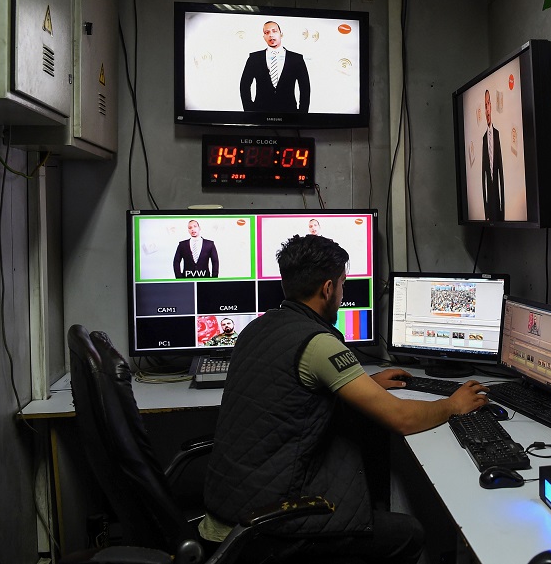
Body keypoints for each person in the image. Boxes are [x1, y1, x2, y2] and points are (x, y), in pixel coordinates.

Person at [201, 233, 489, 563]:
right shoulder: (317, 343)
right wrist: (452, 404)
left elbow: (296, 392)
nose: (342, 292)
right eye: (341, 284)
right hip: (269, 524)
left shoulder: (258, 327)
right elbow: (402, 419)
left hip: (230, 508)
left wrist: (366, 383)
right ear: (327, 289)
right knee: (409, 533)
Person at [239, 20, 311, 113]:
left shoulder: (296, 59)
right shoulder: (254, 58)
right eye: (267, 32)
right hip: (260, 115)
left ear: (281, 34)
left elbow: (305, 88)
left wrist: (302, 114)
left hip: (289, 114)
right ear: (264, 37)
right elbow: (244, 85)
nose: (271, 35)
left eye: (274, 31)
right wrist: (249, 112)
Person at [480, 89, 505, 221]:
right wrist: (486, 213)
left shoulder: (498, 134)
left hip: (500, 205)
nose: (487, 109)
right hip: (490, 209)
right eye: (485, 105)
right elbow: (483, 176)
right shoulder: (484, 138)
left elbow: (501, 174)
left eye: (489, 104)